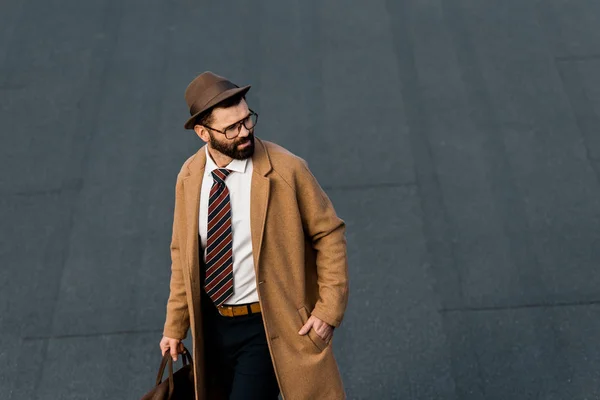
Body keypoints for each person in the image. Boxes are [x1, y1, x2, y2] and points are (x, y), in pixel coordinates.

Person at [159, 71, 349, 400]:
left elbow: (329, 233)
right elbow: (183, 255)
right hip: (213, 327)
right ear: (203, 133)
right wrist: (176, 327)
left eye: (247, 120)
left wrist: (328, 310)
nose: (245, 132)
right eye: (232, 127)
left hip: (268, 325)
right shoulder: (190, 177)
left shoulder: (287, 170)